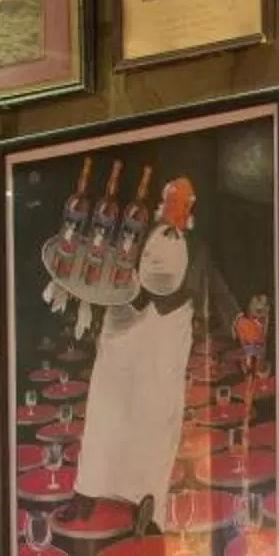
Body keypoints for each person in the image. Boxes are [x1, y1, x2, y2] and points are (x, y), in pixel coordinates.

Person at [71, 176, 201, 534]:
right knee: (107, 405)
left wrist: (237, 317)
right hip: (126, 323)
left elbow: (211, 282)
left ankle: (150, 507)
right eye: (172, 201)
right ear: (162, 202)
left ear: (191, 208)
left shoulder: (199, 244)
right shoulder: (137, 227)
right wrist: (85, 301)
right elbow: (103, 260)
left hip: (168, 331)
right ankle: (86, 491)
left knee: (158, 415)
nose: (178, 208)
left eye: (184, 203)